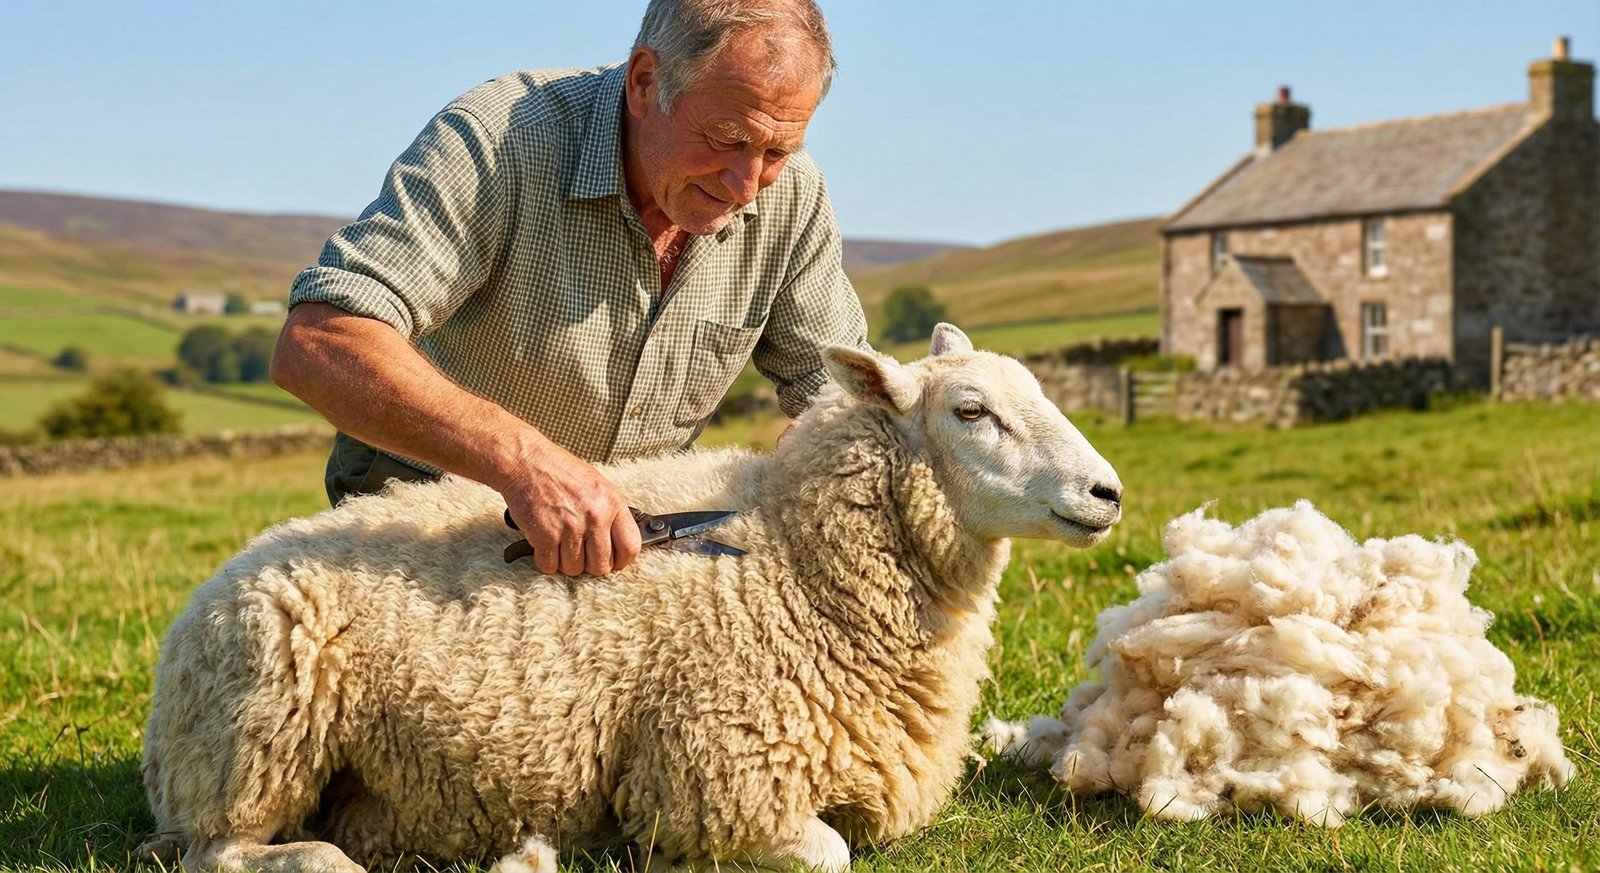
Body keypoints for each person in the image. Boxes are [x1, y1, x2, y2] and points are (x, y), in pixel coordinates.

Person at [271, 0, 868, 579]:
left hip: (619, 547)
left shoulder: (792, 198)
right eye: (726, 137)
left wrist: (817, 448)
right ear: (644, 81)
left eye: (777, 151)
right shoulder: (500, 140)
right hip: (422, 533)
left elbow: (847, 395)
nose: (746, 185)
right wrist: (524, 464)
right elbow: (319, 342)